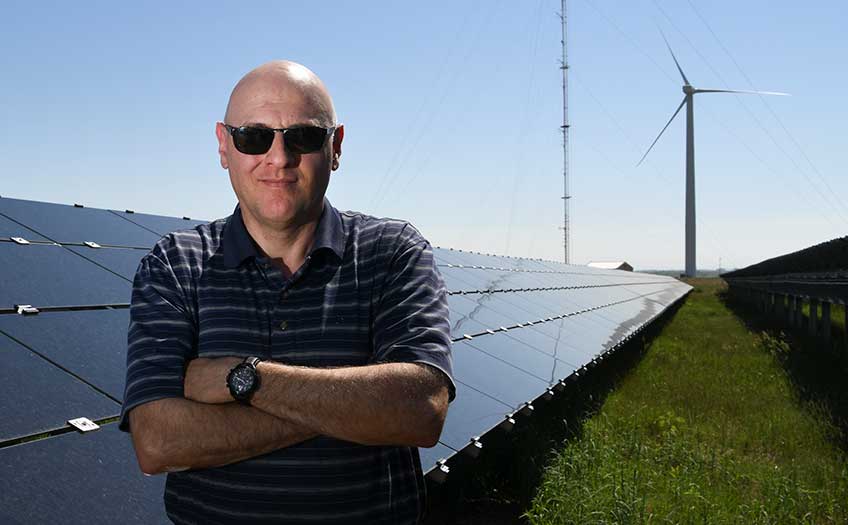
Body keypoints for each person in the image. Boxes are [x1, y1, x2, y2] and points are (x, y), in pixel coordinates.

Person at [119, 60, 455, 524]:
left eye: (304, 136)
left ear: (335, 147)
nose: (279, 158)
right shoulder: (175, 265)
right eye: (253, 137)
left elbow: (420, 408)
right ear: (223, 146)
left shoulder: (393, 252)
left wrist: (242, 379)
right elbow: (158, 441)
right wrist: (351, 408)